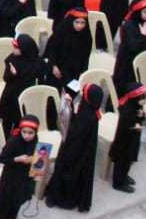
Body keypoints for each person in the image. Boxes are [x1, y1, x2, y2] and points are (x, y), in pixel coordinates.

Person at [44, 83, 103, 211]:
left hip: (73, 153)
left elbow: (74, 132)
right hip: (81, 152)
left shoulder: (86, 116)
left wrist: (72, 113)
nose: (81, 94)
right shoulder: (91, 111)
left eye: (84, 93)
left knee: (66, 172)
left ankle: (59, 199)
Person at [0, 115, 40, 219]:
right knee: (6, 203)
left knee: (17, 202)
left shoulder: (35, 141)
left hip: (25, 178)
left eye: (31, 133)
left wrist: (36, 164)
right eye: (24, 132)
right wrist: (17, 159)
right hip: (11, 178)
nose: (27, 136)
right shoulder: (14, 141)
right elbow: (1, 158)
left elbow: (38, 158)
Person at [110, 83, 146, 193]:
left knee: (128, 161)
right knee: (121, 162)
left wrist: (141, 116)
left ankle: (124, 176)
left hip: (132, 140)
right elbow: (124, 127)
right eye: (142, 98)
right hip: (123, 143)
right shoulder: (126, 110)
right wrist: (135, 126)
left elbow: (139, 118)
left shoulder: (136, 106)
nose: (145, 100)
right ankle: (118, 183)